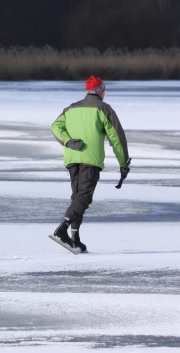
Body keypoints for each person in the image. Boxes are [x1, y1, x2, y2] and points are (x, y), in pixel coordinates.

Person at [50, 76, 130, 252]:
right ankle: (62, 229)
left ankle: (75, 237)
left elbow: (55, 126)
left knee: (77, 197)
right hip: (90, 159)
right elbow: (117, 138)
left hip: (72, 159)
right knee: (84, 197)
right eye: (104, 90)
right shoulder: (104, 109)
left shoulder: (71, 109)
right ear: (100, 91)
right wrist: (124, 164)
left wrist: (68, 141)